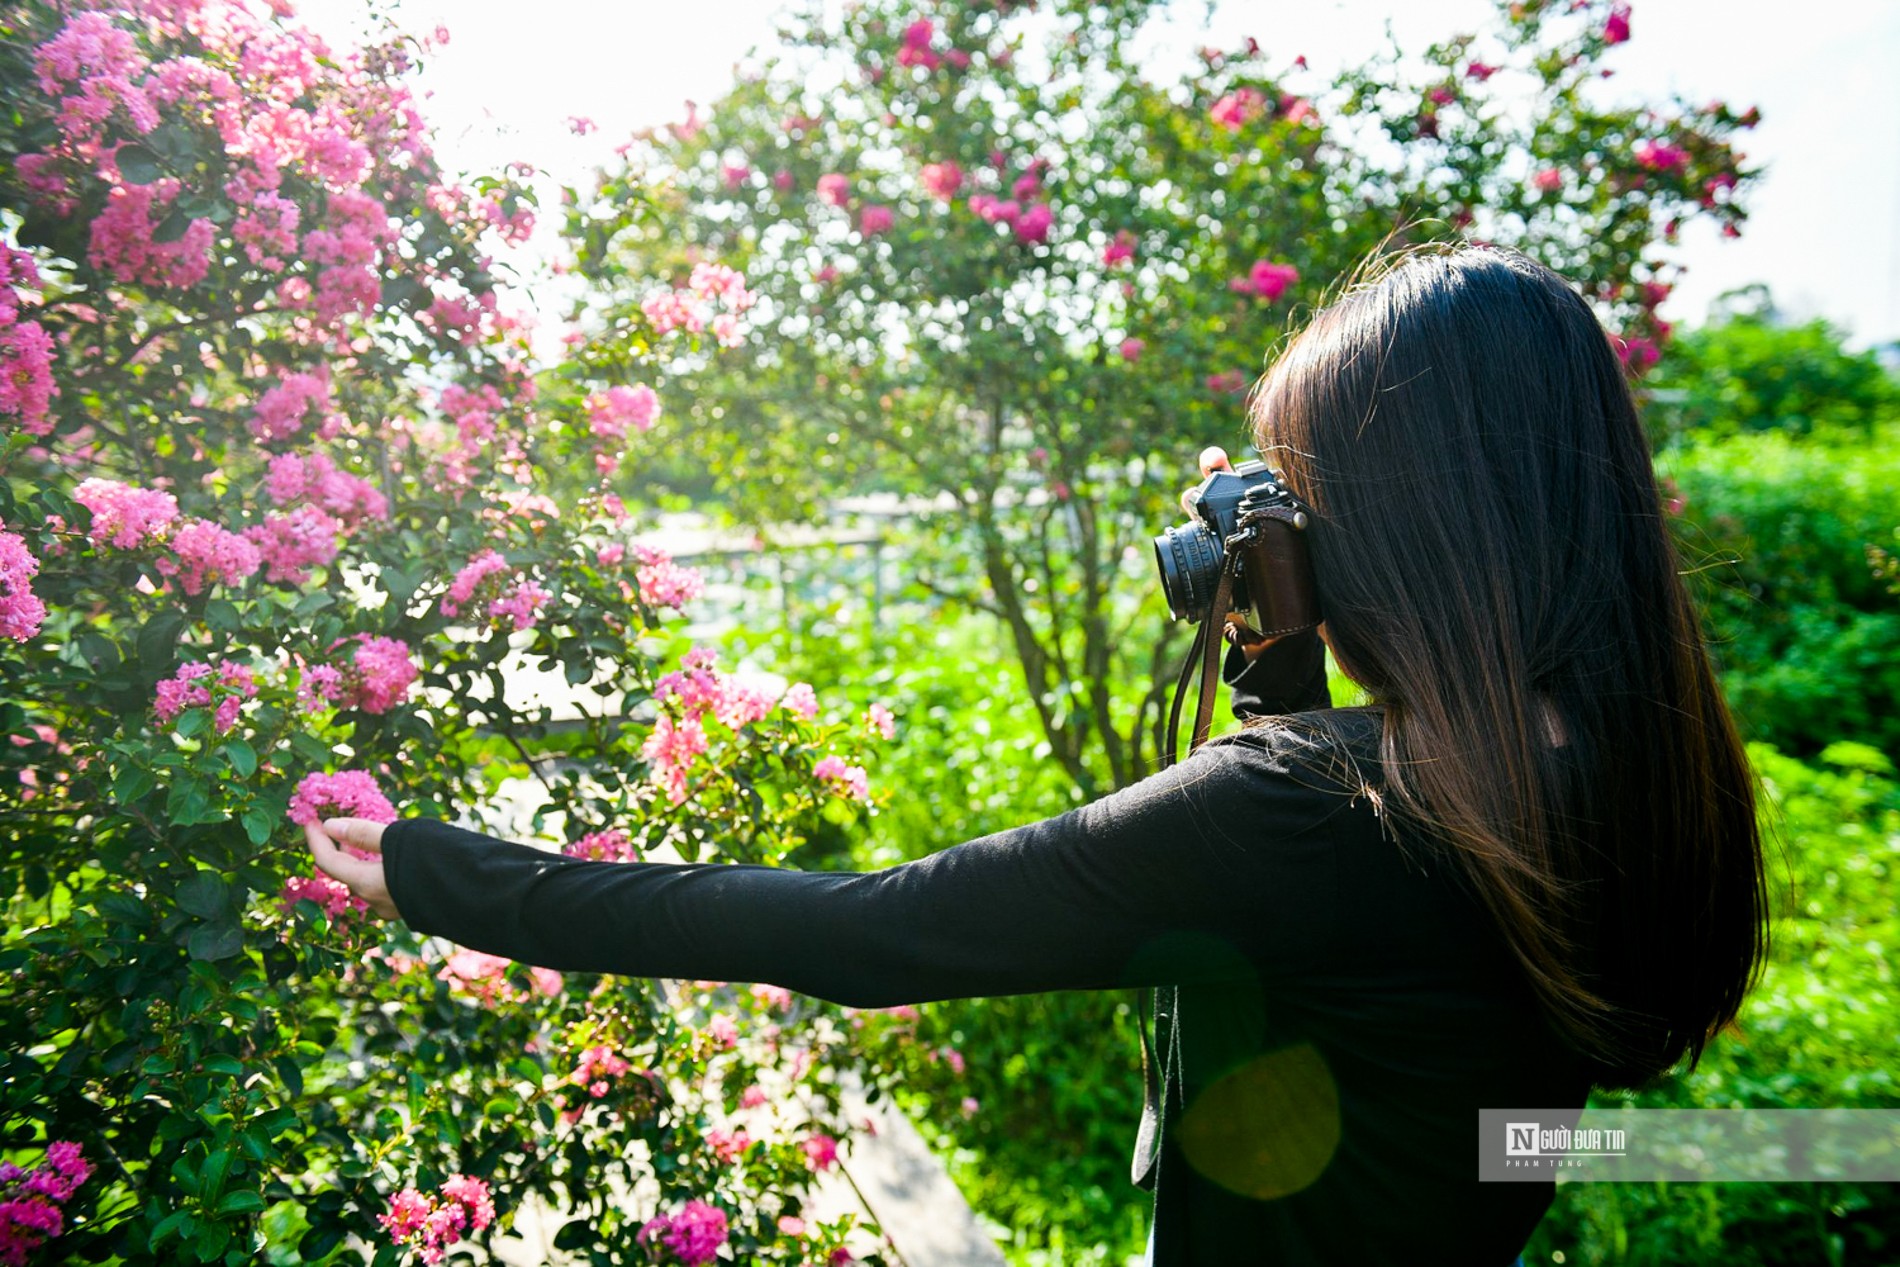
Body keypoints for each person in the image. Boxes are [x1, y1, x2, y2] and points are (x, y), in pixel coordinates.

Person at [305, 243, 1768, 1265]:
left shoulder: (1314, 814)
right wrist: (1283, 642)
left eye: (1316, 501)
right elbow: (1396, 1010)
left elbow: (865, 936)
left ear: (1405, 522)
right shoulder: (1632, 764)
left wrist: (442, 874)